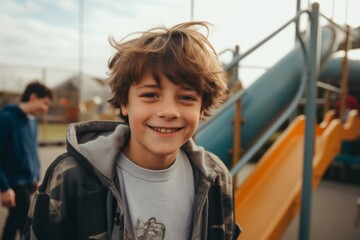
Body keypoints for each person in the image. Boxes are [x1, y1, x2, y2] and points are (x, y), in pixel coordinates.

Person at [22, 22, 241, 240]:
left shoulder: (216, 179)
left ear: (202, 108)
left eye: (186, 98)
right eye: (150, 95)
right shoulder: (70, 177)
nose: (168, 111)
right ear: (125, 102)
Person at [0, 81, 52, 240]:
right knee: (28, 223)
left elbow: (32, 151)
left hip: (29, 182)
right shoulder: (6, 118)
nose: (45, 109)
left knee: (14, 221)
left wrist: (36, 177)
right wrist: (3, 188)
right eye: (44, 103)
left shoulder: (32, 121)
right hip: (14, 183)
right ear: (33, 96)